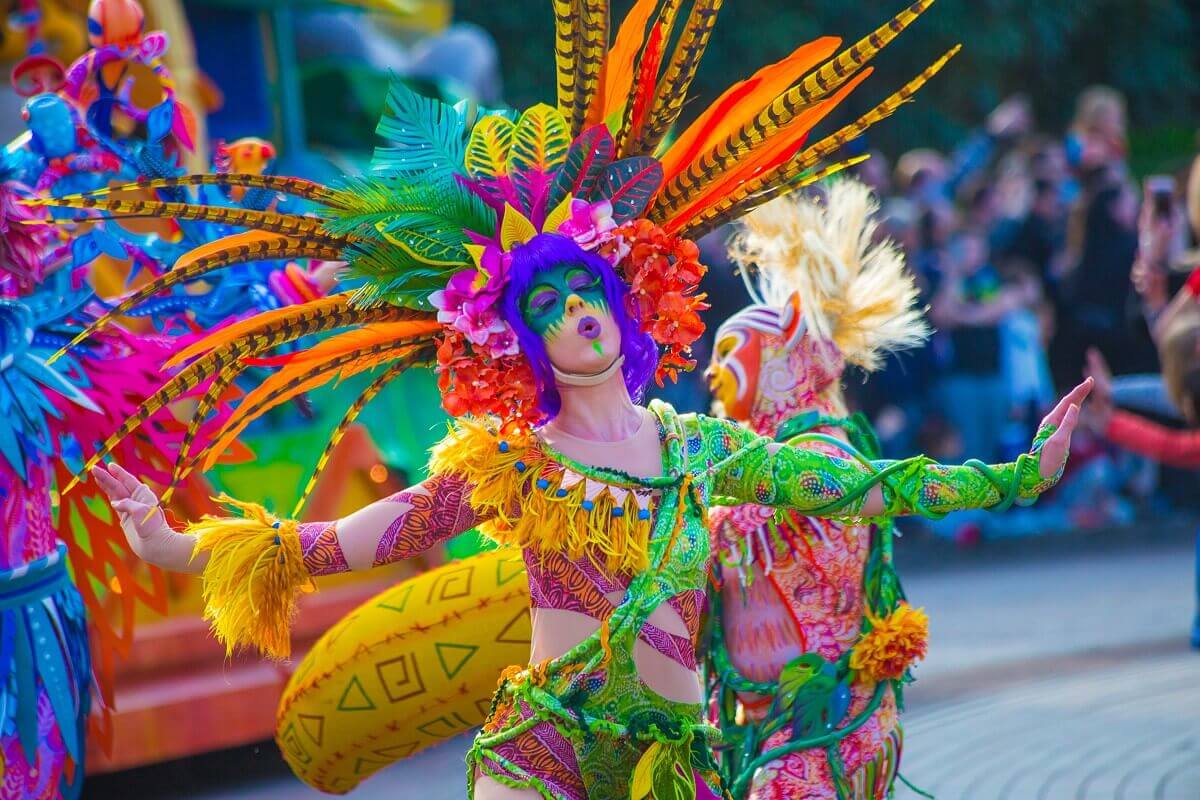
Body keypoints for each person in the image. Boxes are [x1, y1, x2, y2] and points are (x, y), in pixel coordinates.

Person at [45, 3, 1090, 798]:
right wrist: (180, 548)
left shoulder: (697, 447)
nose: (576, 314)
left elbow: (853, 479)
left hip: (671, 758)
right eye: (547, 304)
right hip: (545, 739)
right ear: (523, 340)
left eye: (587, 292)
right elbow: (357, 538)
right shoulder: (512, 461)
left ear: (623, 308)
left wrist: (1010, 474)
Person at [705, 180, 931, 799]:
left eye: (728, 351)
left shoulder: (818, 456)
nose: (710, 372)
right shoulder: (752, 464)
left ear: (780, 357)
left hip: (827, 719)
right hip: (776, 721)